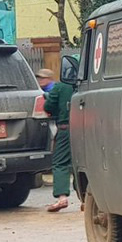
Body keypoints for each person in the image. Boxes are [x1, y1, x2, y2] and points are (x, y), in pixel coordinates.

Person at [44, 79, 75, 212]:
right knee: (84, 164)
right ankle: (89, 201)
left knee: (60, 162)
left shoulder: (61, 87)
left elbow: (49, 106)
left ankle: (62, 198)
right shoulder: (89, 83)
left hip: (66, 128)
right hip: (88, 127)